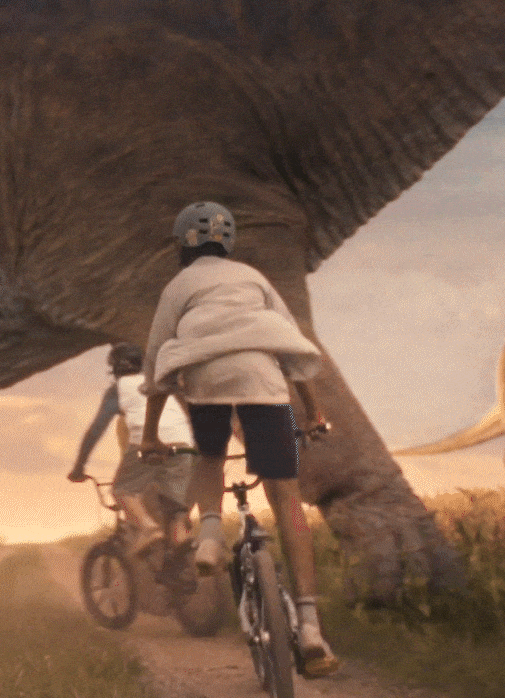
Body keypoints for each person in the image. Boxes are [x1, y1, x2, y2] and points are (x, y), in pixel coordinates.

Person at [138, 201, 340, 678]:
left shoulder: (179, 285)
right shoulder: (253, 277)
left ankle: (209, 534)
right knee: (286, 498)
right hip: (262, 379)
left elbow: (157, 361)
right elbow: (290, 343)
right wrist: (313, 413)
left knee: (210, 458)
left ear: (182, 244)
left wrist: (149, 435)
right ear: (227, 242)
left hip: (206, 378)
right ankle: (311, 627)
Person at [67, 342, 198, 558]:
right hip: (184, 444)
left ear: (115, 369)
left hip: (147, 442)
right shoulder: (160, 382)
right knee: (174, 505)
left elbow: (95, 430)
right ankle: (179, 555)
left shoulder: (118, 388)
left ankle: (148, 529)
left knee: (123, 491)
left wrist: (79, 466)